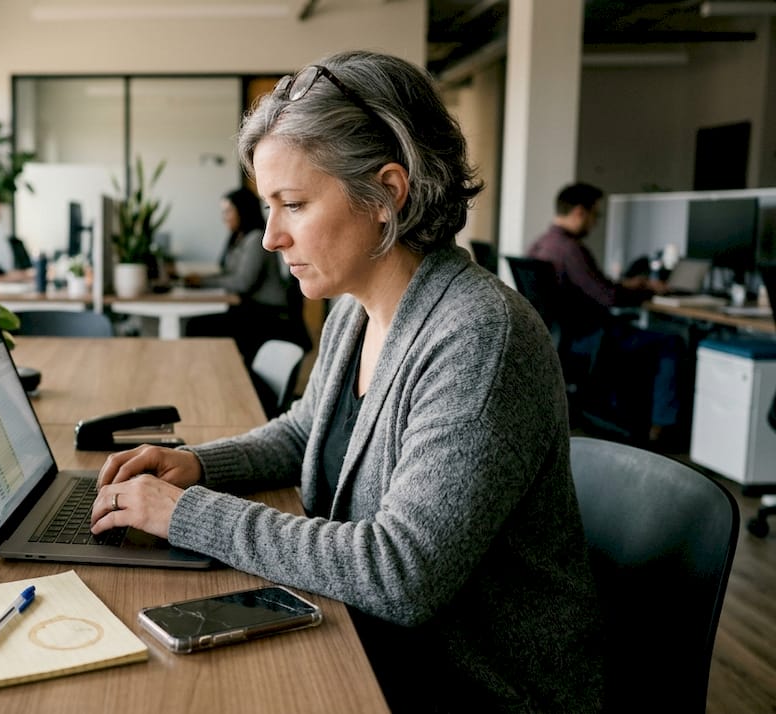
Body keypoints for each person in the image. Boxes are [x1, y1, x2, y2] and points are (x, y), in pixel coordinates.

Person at [88, 51, 602, 712]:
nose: (272, 237)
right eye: (266, 207)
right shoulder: (356, 310)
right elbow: (311, 430)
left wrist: (186, 513)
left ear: (388, 193)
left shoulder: (478, 336)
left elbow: (400, 572)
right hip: (371, 643)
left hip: (475, 685)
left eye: (293, 204)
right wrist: (195, 464)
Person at [527, 182, 685, 445]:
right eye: (595, 215)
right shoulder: (571, 249)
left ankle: (638, 418)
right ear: (580, 212)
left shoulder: (541, 244)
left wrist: (624, 284)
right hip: (590, 337)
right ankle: (662, 430)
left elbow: (592, 286)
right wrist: (646, 290)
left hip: (562, 338)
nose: (596, 222)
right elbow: (608, 297)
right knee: (671, 342)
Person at [183, 187, 309, 362]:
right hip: (253, 308)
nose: (224, 217)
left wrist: (201, 282)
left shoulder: (256, 239)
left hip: (268, 314)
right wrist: (200, 280)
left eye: (228, 211)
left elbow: (242, 282)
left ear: (242, 210)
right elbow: (228, 274)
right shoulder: (239, 238)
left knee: (197, 326)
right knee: (198, 324)